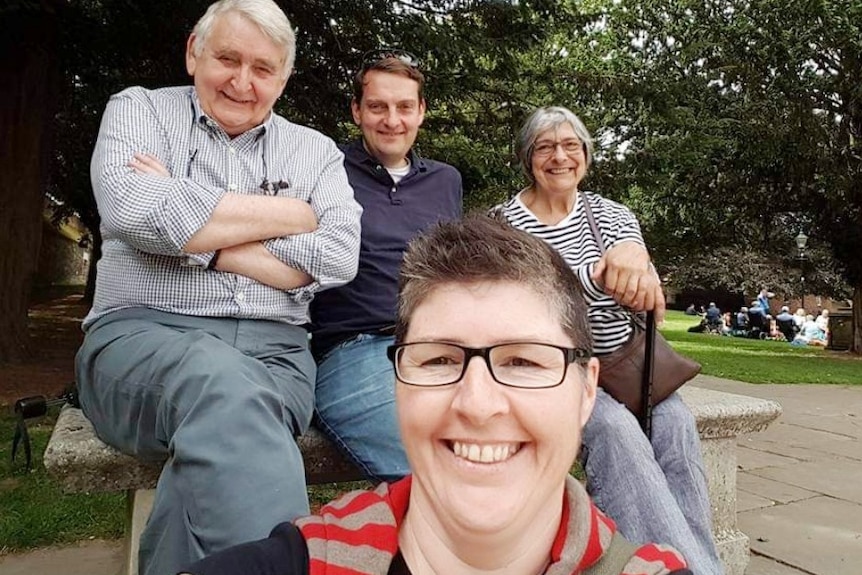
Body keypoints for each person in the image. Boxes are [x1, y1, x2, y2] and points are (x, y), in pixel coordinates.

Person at [181, 215, 692, 575]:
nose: (476, 402)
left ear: (586, 390)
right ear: (398, 383)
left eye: (523, 361)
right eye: (439, 360)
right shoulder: (303, 560)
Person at [74, 1, 362, 573]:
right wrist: (295, 213)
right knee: (224, 388)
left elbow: (338, 254)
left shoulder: (315, 150)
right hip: (138, 341)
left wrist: (187, 221)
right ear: (193, 53)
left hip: (279, 355)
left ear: (282, 77)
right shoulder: (139, 112)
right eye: (227, 59)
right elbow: (134, 211)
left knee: (228, 433)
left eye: (263, 69)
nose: (242, 81)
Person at [496, 106, 722, 574]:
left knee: (677, 428)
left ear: (586, 155)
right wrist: (603, 277)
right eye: (545, 147)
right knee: (614, 429)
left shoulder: (610, 214)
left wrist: (634, 263)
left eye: (571, 146)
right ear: (527, 158)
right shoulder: (504, 225)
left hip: (628, 369)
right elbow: (526, 302)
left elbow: (646, 288)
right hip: (557, 374)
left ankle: (696, 565)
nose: (560, 157)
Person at [309, 49, 462, 482]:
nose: (392, 120)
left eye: (404, 107)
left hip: (440, 350)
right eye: (377, 106)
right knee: (432, 472)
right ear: (357, 111)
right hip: (353, 350)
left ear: (421, 112)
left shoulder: (444, 181)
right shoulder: (324, 169)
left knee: (498, 449)